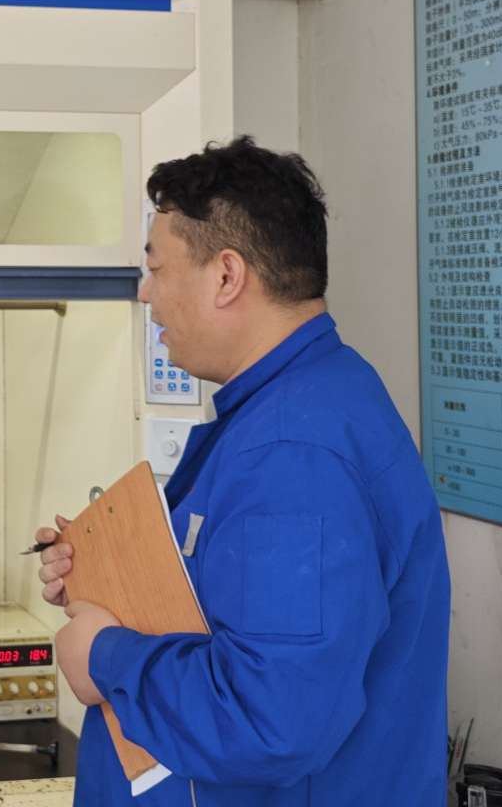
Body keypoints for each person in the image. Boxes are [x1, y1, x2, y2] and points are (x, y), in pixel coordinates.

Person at [36, 136, 449, 806]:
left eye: (157, 267)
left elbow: (270, 719)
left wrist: (103, 656)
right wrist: (107, 582)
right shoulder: (301, 407)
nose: (146, 294)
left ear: (226, 276)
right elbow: (234, 619)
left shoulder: (293, 452)